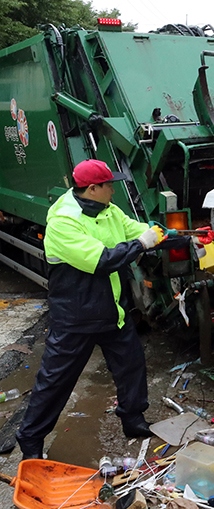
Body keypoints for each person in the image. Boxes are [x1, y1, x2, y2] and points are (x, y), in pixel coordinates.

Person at [16, 159, 188, 460]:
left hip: (112, 312)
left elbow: (137, 231)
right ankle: (30, 440)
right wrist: (140, 243)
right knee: (55, 382)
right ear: (93, 188)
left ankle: (133, 420)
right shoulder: (63, 222)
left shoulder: (109, 210)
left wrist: (176, 237)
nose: (113, 188)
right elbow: (102, 260)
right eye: (109, 184)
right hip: (76, 318)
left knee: (131, 365)